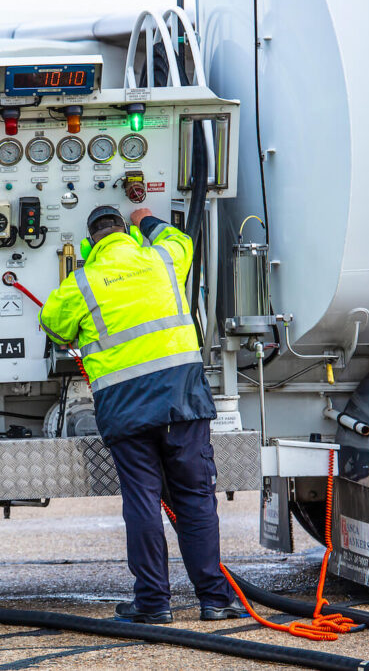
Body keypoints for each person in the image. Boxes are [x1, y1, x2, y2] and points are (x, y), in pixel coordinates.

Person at [38, 206, 247, 624]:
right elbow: (181, 239)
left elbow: (54, 326)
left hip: (125, 407)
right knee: (194, 498)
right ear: (127, 233)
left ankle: (153, 603)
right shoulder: (162, 257)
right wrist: (146, 218)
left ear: (89, 243)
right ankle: (215, 599)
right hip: (182, 400)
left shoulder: (82, 282)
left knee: (143, 501)